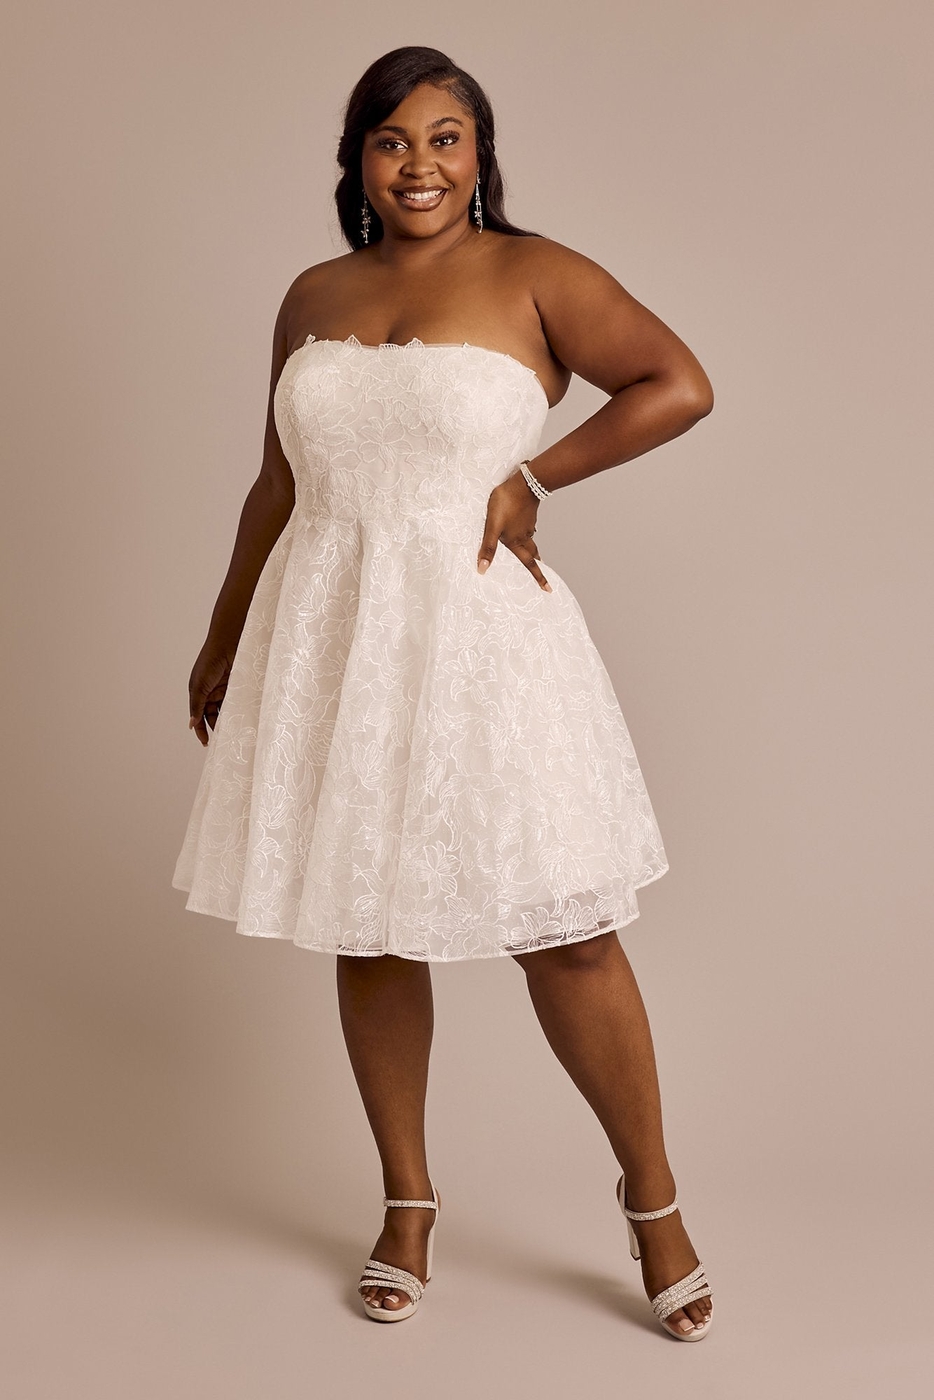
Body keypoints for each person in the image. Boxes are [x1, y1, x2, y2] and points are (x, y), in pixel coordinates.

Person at [172, 45, 715, 1340]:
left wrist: (536, 478)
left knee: (568, 930)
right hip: (336, 636)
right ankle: (406, 1203)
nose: (418, 164)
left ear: (480, 156)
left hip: (479, 637)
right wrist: (222, 632)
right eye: (391, 140)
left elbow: (679, 384)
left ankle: (653, 1202)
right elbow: (276, 479)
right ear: (356, 161)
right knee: (368, 920)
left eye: (445, 138)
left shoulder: (538, 274)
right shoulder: (312, 293)